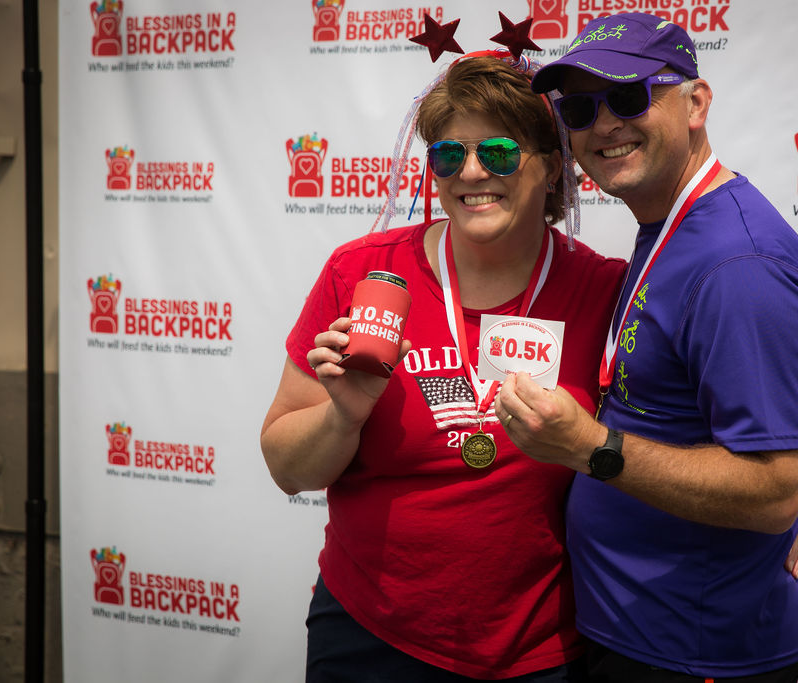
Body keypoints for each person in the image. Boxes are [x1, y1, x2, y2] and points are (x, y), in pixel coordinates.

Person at [260, 52, 626, 681]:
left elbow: (690, 406)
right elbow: (286, 469)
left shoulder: (604, 289)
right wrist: (342, 418)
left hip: (537, 651)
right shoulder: (364, 273)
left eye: (500, 152)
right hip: (371, 639)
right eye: (449, 155)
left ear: (552, 168)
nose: (472, 172)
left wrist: (789, 480)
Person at [495, 13, 798, 683]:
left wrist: (591, 449)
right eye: (582, 109)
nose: (605, 124)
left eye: (628, 96)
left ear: (696, 103)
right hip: (640, 634)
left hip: (690, 651)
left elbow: (771, 492)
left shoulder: (739, 261)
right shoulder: (674, 226)